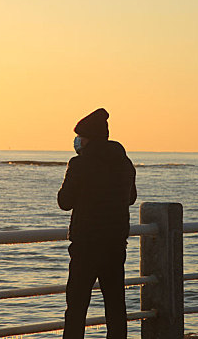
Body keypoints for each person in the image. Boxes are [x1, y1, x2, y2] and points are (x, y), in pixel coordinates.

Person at [58, 108, 137, 338]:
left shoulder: (79, 164)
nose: (76, 142)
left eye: (79, 137)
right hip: (115, 245)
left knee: (77, 307)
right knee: (115, 305)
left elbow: (64, 201)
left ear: (87, 139)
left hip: (86, 246)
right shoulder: (124, 163)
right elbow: (131, 198)